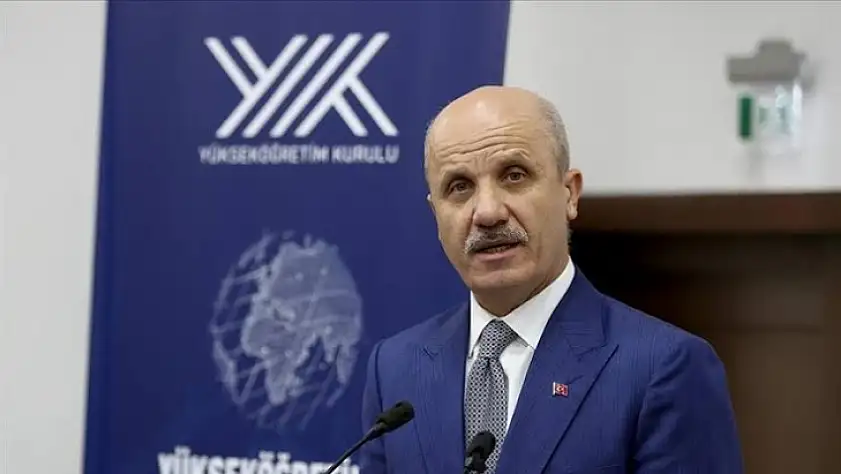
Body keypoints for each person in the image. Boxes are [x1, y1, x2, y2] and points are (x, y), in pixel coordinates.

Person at [357, 86, 744, 473]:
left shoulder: (662, 367)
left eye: (514, 175)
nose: (487, 213)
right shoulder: (395, 368)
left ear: (570, 194)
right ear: (436, 215)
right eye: (459, 187)